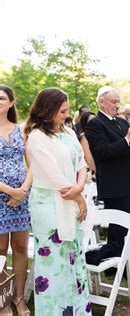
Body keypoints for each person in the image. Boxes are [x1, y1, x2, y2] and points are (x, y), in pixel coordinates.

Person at [25, 87, 90, 315]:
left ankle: (78, 310)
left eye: (67, 110)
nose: (66, 115)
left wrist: (80, 188)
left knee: (75, 258)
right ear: (48, 110)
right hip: (49, 206)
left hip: (71, 200)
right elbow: (52, 174)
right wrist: (79, 197)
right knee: (54, 263)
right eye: (62, 111)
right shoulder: (36, 136)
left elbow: (82, 164)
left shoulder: (69, 133)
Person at [85, 86, 130, 280]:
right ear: (102, 103)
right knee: (122, 229)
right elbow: (103, 153)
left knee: (119, 230)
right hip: (113, 185)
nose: (118, 105)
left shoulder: (121, 122)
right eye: (114, 102)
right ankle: (129, 267)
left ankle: (114, 265)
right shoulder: (95, 124)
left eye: (118, 101)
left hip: (127, 182)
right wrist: (128, 138)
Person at [0, 85, 32, 316]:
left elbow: (32, 164)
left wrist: (22, 190)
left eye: (1, 98)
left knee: (20, 247)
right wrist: (9, 190)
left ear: (11, 103)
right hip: (1, 195)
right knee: (0, 249)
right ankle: (3, 300)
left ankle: (20, 299)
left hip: (21, 198)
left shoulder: (21, 131)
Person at [78, 111, 96, 183]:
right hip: (91, 173)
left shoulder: (98, 134)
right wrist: (99, 172)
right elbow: (89, 159)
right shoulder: (84, 137)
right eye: (91, 121)